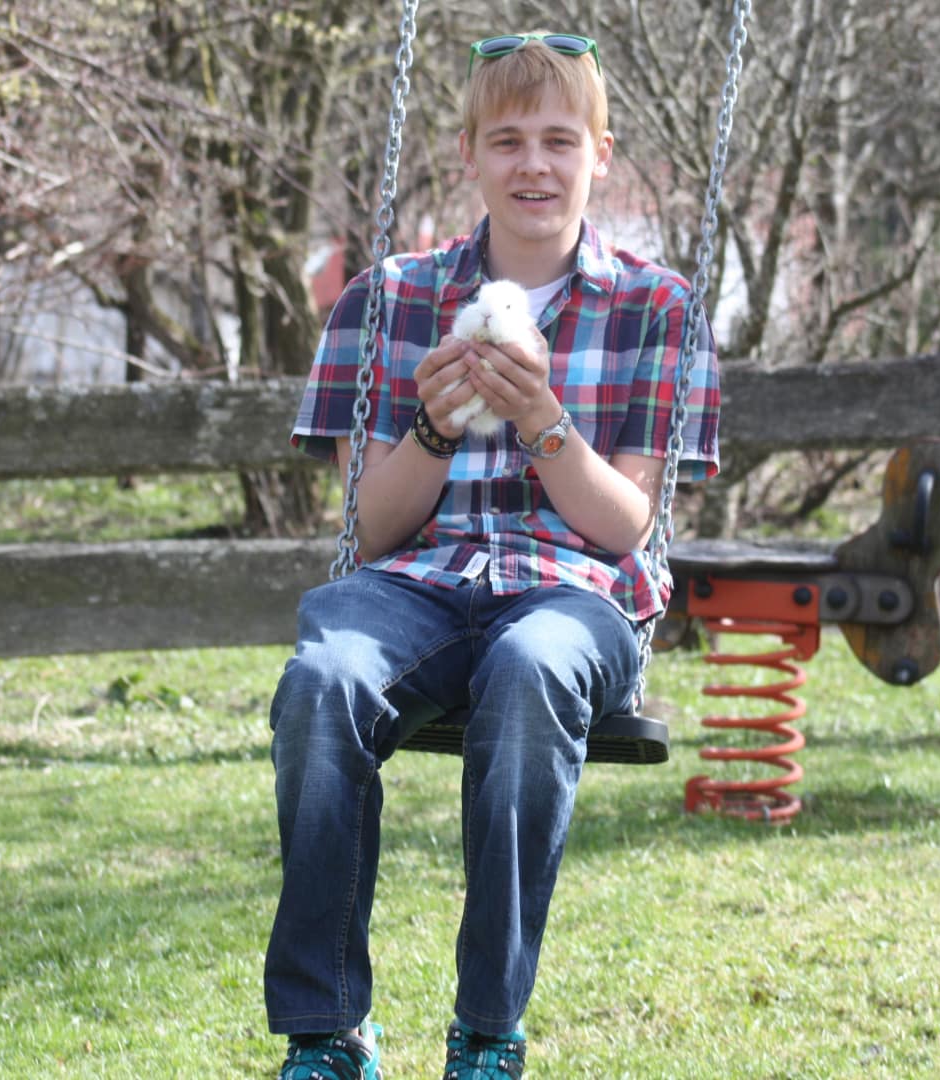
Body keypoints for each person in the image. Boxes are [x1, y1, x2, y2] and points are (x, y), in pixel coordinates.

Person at [266, 29, 719, 1080]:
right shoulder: (385, 301)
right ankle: (327, 1031)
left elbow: (627, 527)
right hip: (414, 587)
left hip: (574, 596)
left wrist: (542, 423)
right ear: (467, 152)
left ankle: (485, 1028)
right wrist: (433, 427)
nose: (533, 166)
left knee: (527, 673)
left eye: (559, 140)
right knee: (322, 683)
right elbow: (369, 532)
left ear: (599, 155)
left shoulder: (658, 309)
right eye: (507, 140)